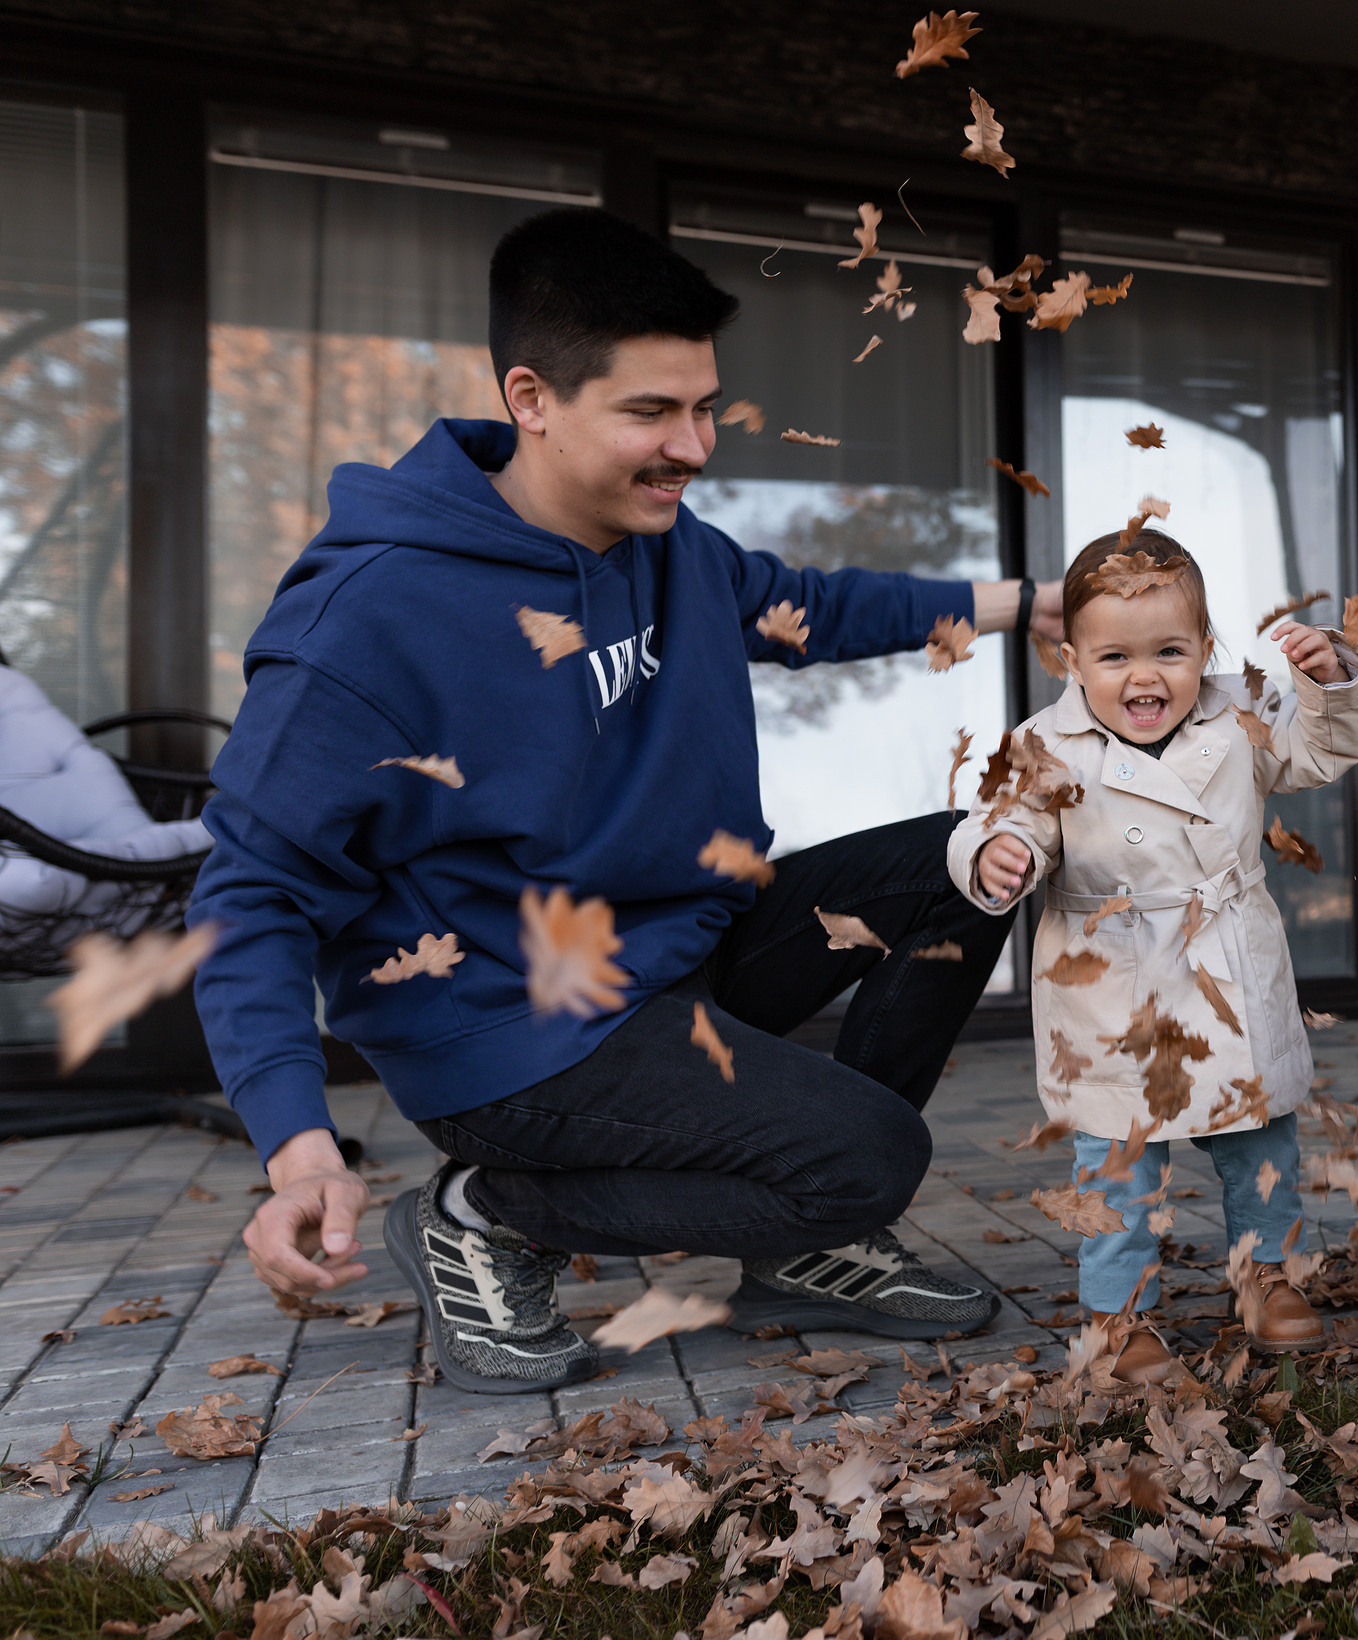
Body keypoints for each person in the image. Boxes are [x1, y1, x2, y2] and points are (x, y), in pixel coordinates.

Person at [193, 207, 1063, 1394]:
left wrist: (1025, 602)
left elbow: (803, 602)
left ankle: (803, 1234)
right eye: (650, 412)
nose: (692, 445)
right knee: (874, 1155)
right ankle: (487, 1211)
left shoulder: (664, 542)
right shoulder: (368, 624)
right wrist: (298, 1147)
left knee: (974, 855)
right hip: (514, 1034)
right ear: (532, 397)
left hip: (672, 954)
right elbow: (247, 891)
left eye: (703, 407)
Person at [949, 528, 1358, 1382]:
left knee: (1260, 1144)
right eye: (1115, 657)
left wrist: (1329, 681)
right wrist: (1001, 855)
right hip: (1112, 986)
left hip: (1226, 966)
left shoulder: (1237, 716)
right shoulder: (1044, 745)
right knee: (1117, 1161)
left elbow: (1320, 751)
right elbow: (1005, 821)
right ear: (1071, 659)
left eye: (1170, 652)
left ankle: (1265, 1276)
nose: (1145, 678)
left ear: (1206, 650)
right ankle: (1118, 1315)